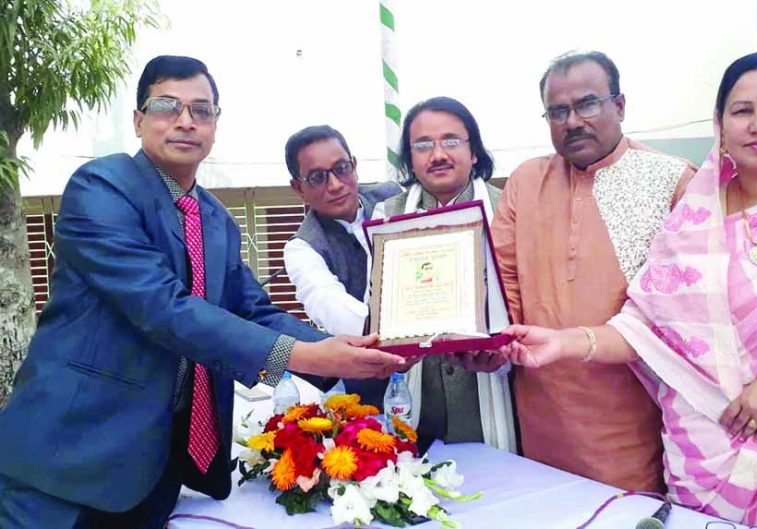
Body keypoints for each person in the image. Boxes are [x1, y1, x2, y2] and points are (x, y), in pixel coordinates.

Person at [502, 51, 757, 528]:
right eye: (743, 111)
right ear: (721, 123)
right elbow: (650, 328)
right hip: (705, 455)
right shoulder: (696, 214)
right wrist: (561, 342)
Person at [0, 56, 405, 529]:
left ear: (214, 126)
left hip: (155, 470)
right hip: (65, 465)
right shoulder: (101, 188)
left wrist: (365, 355)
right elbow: (164, 309)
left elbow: (253, 311)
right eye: (168, 106)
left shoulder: (215, 220)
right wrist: (308, 358)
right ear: (138, 120)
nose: (186, 121)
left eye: (202, 110)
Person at [490, 50, 696, 490]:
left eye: (587, 104)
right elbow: (501, 284)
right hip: (541, 418)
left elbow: (684, 316)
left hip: (635, 420)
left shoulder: (671, 180)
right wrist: (482, 340)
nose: (572, 121)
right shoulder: (525, 182)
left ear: (619, 106)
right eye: (558, 111)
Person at [372, 96, 516, 452]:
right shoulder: (387, 216)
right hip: (419, 403)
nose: (438, 154)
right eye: (423, 145)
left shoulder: (510, 208)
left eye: (451, 141)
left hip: (494, 396)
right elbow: (376, 301)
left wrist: (502, 351)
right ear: (410, 158)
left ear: (474, 152)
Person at [282, 125, 402, 406]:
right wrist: (402, 338)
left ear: (355, 166)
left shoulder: (396, 198)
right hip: (376, 394)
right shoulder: (303, 247)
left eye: (342, 168)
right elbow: (331, 307)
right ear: (298, 188)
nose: (335, 185)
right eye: (318, 177)